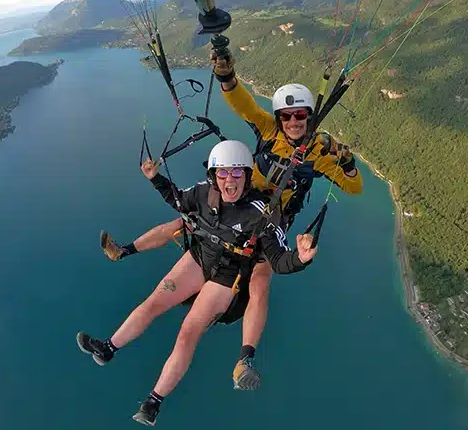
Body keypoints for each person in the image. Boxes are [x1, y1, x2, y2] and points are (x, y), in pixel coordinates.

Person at [99, 46, 364, 391]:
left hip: (271, 221)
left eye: (300, 116)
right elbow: (244, 106)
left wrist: (345, 162)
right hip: (237, 203)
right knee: (180, 222)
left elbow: (354, 187)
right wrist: (226, 76)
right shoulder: (270, 132)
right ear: (280, 118)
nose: (294, 122)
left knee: (260, 279)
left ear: (310, 117)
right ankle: (123, 251)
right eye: (287, 116)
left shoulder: (321, 154)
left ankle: (245, 359)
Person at [78, 140, 318, 426]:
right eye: (223, 174)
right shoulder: (204, 194)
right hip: (199, 258)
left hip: (227, 276)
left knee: (187, 333)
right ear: (214, 177)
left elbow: (278, 261)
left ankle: (153, 402)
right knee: (152, 304)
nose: (230, 180)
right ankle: (107, 348)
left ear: (247, 175)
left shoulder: (260, 214)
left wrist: (300, 258)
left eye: (237, 174)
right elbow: (178, 200)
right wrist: (155, 178)